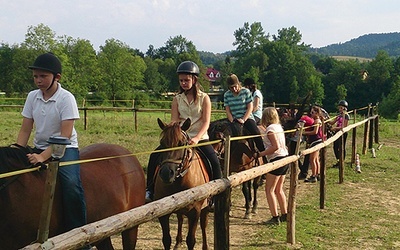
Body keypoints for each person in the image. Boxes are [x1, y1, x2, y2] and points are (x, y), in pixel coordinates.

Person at [16, 53, 88, 237]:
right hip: (39, 146)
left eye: (43, 76)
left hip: (65, 148)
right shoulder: (32, 97)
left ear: (57, 77)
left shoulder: (66, 98)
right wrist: (17, 151)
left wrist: (42, 157)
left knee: (71, 184)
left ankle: (79, 234)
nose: (38, 80)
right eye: (35, 76)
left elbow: (64, 136)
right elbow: (25, 129)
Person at [145, 61, 222, 202]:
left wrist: (197, 138)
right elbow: (175, 120)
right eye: (181, 80)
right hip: (180, 138)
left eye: (187, 80)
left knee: (214, 161)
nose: (184, 83)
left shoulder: (205, 98)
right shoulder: (177, 99)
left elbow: (206, 122)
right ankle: (149, 189)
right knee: (154, 156)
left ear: (194, 79)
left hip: (199, 137)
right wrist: (170, 130)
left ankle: (216, 193)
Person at [256, 107, 289, 225]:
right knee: (278, 189)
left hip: (276, 159)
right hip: (285, 158)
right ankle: (285, 214)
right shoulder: (278, 127)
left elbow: (275, 147)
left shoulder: (270, 129)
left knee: (269, 190)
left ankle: (275, 217)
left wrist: (260, 154)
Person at [224, 74, 266, 155]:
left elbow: (250, 107)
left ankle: (263, 153)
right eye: (231, 87)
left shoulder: (245, 92)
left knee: (255, 132)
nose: (234, 89)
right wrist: (232, 121)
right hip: (234, 119)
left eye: (235, 86)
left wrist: (243, 119)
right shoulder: (227, 95)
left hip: (246, 117)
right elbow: (228, 110)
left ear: (238, 84)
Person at [303, 106, 324, 183]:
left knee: (312, 159)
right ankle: (317, 174)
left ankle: (313, 175)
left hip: (315, 140)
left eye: (312, 112)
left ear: (317, 113)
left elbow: (315, 132)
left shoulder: (317, 121)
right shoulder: (318, 120)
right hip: (317, 140)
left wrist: (304, 133)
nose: (311, 114)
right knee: (316, 159)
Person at [329, 100, 350, 167]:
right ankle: (338, 160)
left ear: (344, 108)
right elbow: (332, 122)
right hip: (337, 132)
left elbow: (344, 126)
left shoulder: (346, 116)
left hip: (343, 133)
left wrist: (335, 128)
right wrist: (326, 119)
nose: (340, 109)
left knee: (341, 147)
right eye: (339, 108)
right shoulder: (339, 115)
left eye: (341, 108)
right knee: (335, 146)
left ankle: (341, 161)